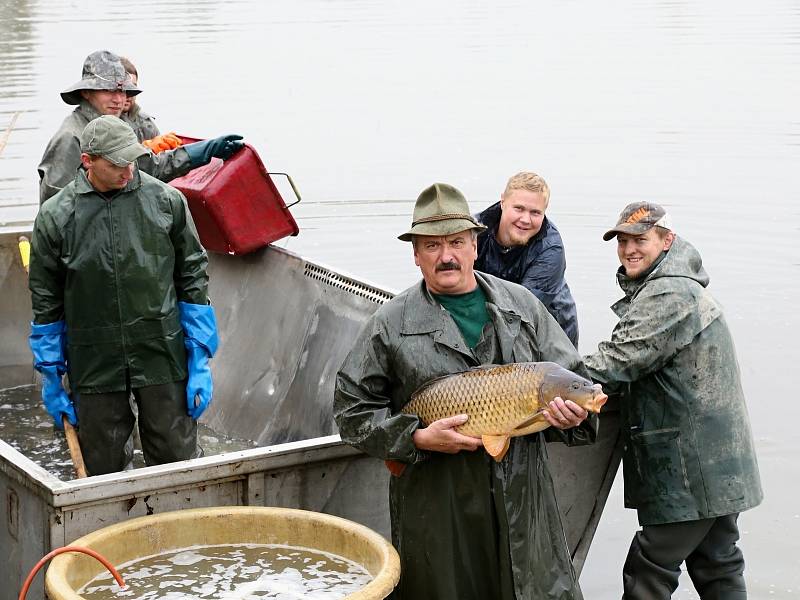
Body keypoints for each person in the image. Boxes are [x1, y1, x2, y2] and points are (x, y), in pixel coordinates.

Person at [334, 182, 600, 600]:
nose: (446, 256)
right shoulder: (389, 324)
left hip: (522, 501)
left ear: (475, 245)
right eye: (432, 245)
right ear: (416, 254)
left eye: (457, 242)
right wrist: (416, 437)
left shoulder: (524, 306)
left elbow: (573, 380)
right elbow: (351, 413)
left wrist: (575, 418)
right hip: (438, 510)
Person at [583, 202, 763, 599]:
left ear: (667, 241)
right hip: (719, 463)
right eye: (623, 241)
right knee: (718, 564)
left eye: (640, 240)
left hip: (691, 466)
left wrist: (540, 384)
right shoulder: (676, 284)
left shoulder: (669, 290)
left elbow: (618, 359)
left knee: (649, 567)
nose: (630, 249)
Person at [28, 115, 219, 476]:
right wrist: (52, 375)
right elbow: (46, 300)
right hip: (94, 358)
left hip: (162, 349)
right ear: (88, 162)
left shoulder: (167, 201)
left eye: (131, 161)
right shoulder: (56, 216)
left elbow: (192, 275)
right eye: (117, 164)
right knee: (103, 468)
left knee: (177, 461)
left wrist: (199, 357)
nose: (128, 171)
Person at [37, 49, 244, 205]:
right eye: (108, 90)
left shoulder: (120, 125)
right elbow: (55, 208)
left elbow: (147, 167)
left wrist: (202, 151)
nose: (118, 99)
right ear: (86, 93)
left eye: (124, 92)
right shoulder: (70, 137)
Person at [475, 171, 579, 348]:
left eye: (535, 213)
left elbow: (521, 311)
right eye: (519, 208)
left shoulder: (551, 249)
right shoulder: (474, 231)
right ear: (503, 202)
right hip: (489, 320)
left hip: (551, 333)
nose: (525, 220)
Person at [119, 56, 161, 140]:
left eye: (132, 88)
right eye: (122, 88)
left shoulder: (147, 125)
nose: (128, 95)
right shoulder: (94, 124)